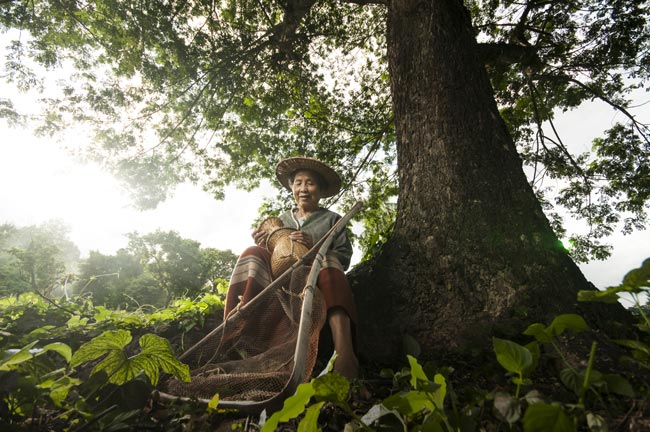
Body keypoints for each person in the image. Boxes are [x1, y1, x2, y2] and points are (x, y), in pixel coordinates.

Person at [224, 156, 359, 380]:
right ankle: (233, 335)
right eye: (298, 183)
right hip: (281, 282)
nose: (303, 189)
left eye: (310, 183)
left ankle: (344, 353)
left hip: (318, 280)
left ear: (321, 189)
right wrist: (264, 242)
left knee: (327, 260)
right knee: (252, 254)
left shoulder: (332, 219)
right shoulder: (283, 219)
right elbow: (274, 255)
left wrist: (314, 247)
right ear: (292, 188)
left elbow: (343, 258)